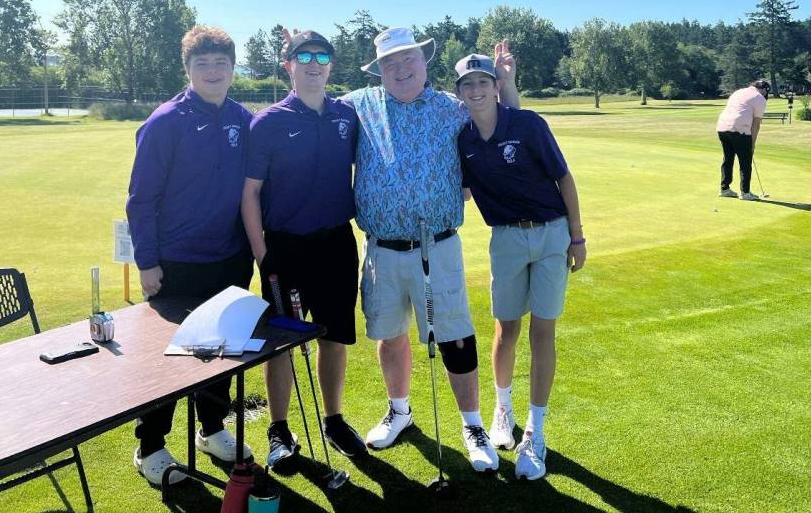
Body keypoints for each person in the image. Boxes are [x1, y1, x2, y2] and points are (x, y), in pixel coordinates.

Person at [343, 26, 518, 473]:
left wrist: (507, 83)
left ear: (424, 63)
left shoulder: (452, 109)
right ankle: (399, 411)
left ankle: (473, 425)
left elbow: (507, 130)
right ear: (379, 69)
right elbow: (306, 112)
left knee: (455, 335)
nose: (400, 69)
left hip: (437, 245)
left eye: (408, 59)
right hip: (381, 247)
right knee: (389, 332)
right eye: (390, 62)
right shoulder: (359, 105)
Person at [125, 25, 254, 485]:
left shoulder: (243, 119)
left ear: (233, 69)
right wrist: (147, 262)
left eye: (222, 63)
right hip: (176, 262)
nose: (214, 71)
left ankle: (212, 429)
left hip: (230, 259)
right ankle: (151, 446)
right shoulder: (165, 121)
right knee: (169, 360)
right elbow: (140, 199)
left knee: (221, 351)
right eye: (204, 64)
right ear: (188, 69)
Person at [453, 54, 587, 481]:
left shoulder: (528, 125)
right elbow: (463, 192)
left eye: (483, 82)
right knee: (505, 329)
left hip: (551, 235)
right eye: (467, 85)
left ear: (495, 86)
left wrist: (578, 236)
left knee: (542, 330)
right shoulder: (463, 139)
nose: (475, 91)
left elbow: (564, 178)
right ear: (459, 93)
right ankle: (502, 410)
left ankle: (535, 430)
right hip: (506, 240)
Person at [241, 30, 367, 470]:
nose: (314, 63)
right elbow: (250, 194)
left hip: (336, 243)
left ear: (331, 65)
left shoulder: (347, 115)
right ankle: (279, 429)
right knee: (280, 344)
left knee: (335, 337)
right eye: (304, 56)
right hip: (284, 250)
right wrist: (263, 255)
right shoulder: (268, 121)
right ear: (288, 64)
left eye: (323, 56)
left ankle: (333, 420)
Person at [716, 80, 770, 201]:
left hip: (722, 127)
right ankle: (745, 192)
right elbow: (756, 124)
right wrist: (752, 143)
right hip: (740, 129)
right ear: (764, 90)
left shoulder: (738, 92)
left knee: (728, 158)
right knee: (745, 161)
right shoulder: (759, 98)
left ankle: (724, 189)